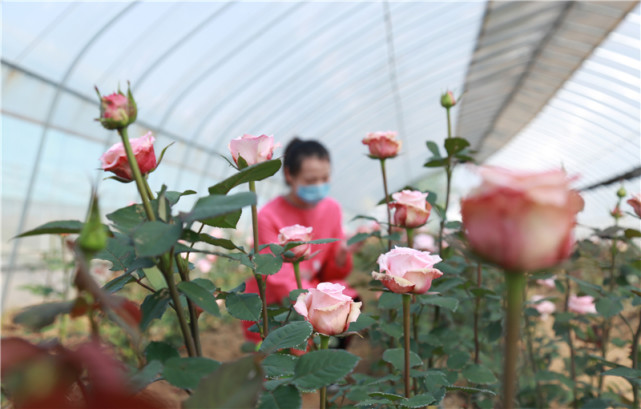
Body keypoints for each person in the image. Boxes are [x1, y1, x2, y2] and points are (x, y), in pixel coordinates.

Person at [242, 138, 356, 343]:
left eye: (325, 178)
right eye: (312, 180)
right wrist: (318, 303)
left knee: (352, 302)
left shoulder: (332, 209)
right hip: (276, 306)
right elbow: (276, 279)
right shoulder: (268, 216)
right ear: (289, 175)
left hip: (312, 295)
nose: (320, 186)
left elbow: (328, 274)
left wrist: (340, 257)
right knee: (285, 363)